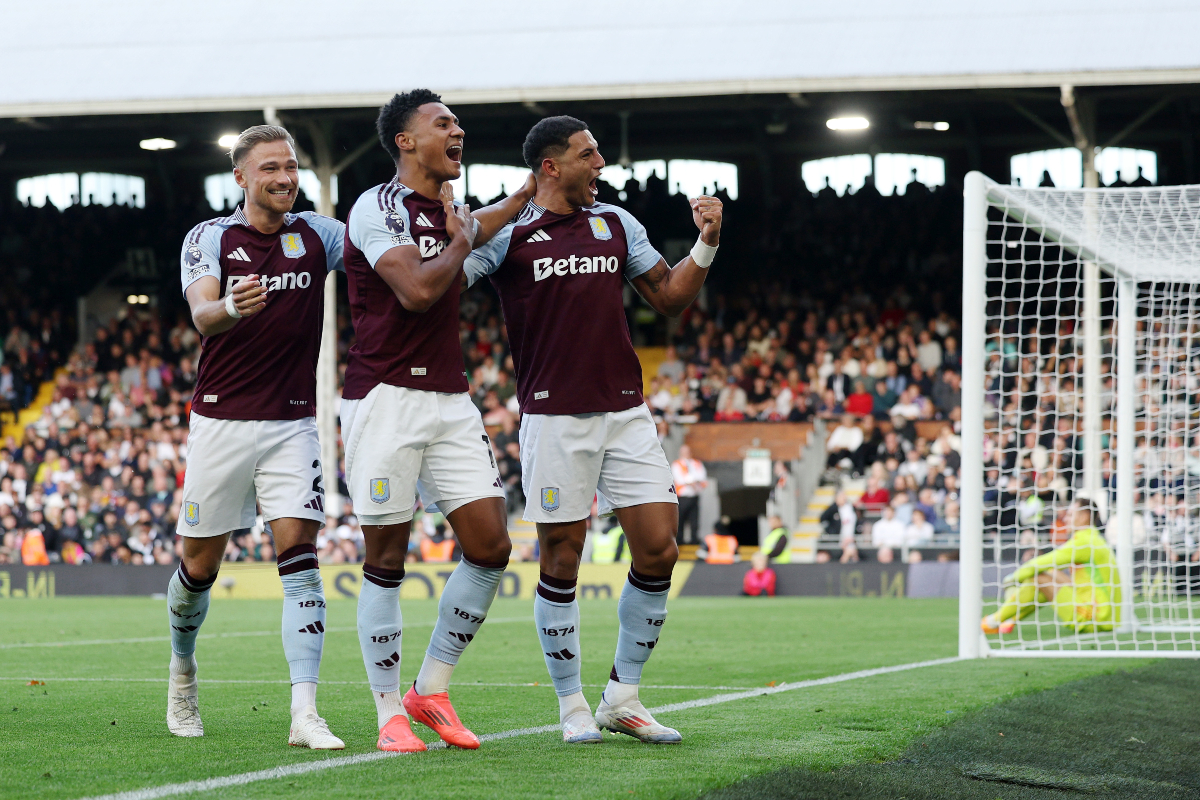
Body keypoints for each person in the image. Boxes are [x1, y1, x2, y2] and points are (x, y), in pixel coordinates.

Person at [465, 115, 722, 745]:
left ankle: (622, 697)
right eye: (589, 154)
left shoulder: (616, 223)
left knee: (661, 546)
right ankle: (572, 704)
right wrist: (452, 232)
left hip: (626, 409)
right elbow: (447, 283)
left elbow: (667, 296)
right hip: (554, 415)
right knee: (562, 557)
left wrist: (707, 242)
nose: (601, 162)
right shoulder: (510, 232)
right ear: (551, 166)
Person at [340, 89, 534, 753]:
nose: (458, 131)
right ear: (405, 140)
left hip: (450, 399)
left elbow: (490, 223)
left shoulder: (453, 211)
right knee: (386, 559)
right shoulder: (377, 206)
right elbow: (419, 291)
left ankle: (431, 689)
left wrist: (527, 194)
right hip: (383, 397)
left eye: (457, 123)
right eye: (442, 123)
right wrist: (461, 241)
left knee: (490, 545)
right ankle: (389, 711)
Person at [168, 125, 346, 748]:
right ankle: (184, 672)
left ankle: (305, 714)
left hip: (292, 423)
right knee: (198, 567)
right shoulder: (210, 237)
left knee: (300, 564)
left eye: (291, 166)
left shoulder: (319, 235)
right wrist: (235, 307)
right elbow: (202, 316)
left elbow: (380, 260)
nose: (284, 177)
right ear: (241, 177)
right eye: (270, 167)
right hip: (219, 421)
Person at [982, 500, 1121, 635]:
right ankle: (1008, 619)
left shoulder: (1084, 541)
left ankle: (993, 621)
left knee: (1040, 577)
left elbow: (1040, 563)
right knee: (1050, 573)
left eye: (1070, 515)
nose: (1065, 519)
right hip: (1105, 613)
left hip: (1094, 616)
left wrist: (1013, 578)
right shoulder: (1094, 538)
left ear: (1084, 516)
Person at [671, 444, 707, 545]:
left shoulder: (697, 463)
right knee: (680, 520)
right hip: (682, 497)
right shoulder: (676, 464)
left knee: (694, 521)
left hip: (694, 496)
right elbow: (678, 479)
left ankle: (694, 541)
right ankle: (679, 541)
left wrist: (692, 481)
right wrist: (692, 482)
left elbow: (702, 477)